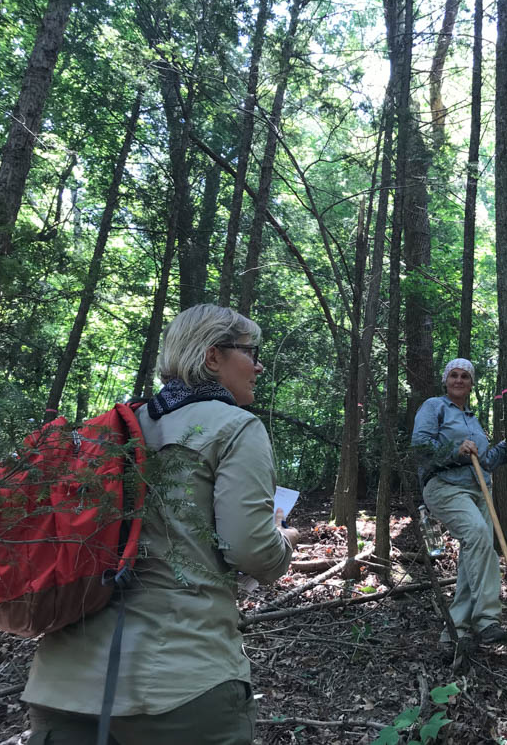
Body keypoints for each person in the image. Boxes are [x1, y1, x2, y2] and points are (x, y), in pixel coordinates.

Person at [22, 304, 300, 745]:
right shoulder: (235, 427)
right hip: (178, 682)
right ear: (213, 356)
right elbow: (250, 548)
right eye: (251, 352)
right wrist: (283, 541)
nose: (259, 365)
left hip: (62, 684)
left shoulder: (117, 427)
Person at [411, 358, 507, 646]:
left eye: (465, 376)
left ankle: (456, 631)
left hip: (479, 490)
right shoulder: (435, 406)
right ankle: (487, 619)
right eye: (453, 375)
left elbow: (484, 461)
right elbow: (420, 445)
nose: (459, 380)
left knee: (477, 552)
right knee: (478, 534)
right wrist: (456, 449)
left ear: (471, 383)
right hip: (445, 485)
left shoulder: (473, 419)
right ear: (445, 380)